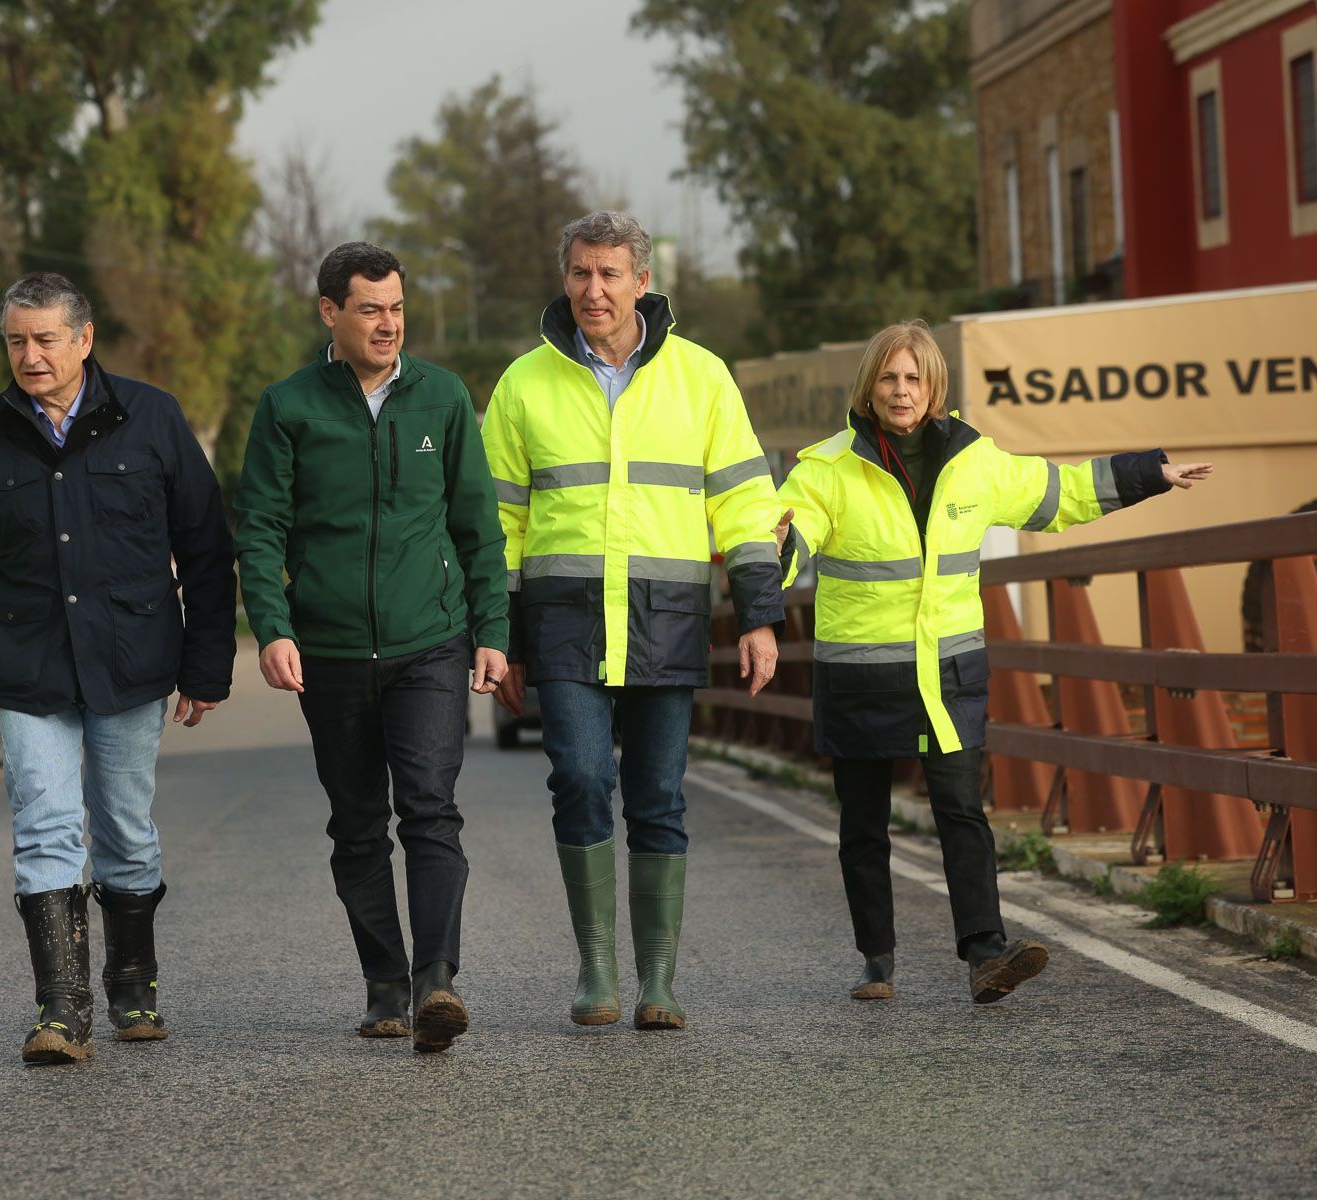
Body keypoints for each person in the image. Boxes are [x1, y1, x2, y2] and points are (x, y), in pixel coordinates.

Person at [776, 320, 1213, 1003]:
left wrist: (1147, 474)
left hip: (946, 675)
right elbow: (789, 539)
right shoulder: (828, 467)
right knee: (864, 823)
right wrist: (771, 550)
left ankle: (986, 954)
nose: (901, 390)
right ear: (869, 385)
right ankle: (877, 961)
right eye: (889, 377)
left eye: (914, 377)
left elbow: (1057, 495)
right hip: (863, 675)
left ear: (934, 387)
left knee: (961, 807)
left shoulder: (974, 460)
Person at [483, 212, 789, 1032]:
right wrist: (499, 638)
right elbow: (496, 524)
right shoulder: (523, 385)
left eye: (611, 274)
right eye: (581, 273)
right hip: (563, 622)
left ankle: (658, 981)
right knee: (581, 779)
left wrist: (759, 616)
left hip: (668, 618)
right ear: (565, 278)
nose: (594, 290)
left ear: (642, 283)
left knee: (658, 796)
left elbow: (747, 504)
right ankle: (597, 973)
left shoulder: (702, 378)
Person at [0, 272, 235, 1064]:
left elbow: (205, 548)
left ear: (84, 339)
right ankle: (60, 1009)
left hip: (131, 660)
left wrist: (206, 665)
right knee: (44, 825)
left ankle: (133, 985)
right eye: (15, 341)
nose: (29, 357)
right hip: (25, 666)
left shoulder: (153, 418)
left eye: (44, 339)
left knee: (126, 827)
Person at [234, 242, 507, 1053]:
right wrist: (274, 627)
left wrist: (491, 630)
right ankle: (384, 983)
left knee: (431, 811)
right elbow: (261, 530)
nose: (388, 324)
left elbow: (478, 528)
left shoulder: (444, 397)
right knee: (357, 825)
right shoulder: (289, 407)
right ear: (330, 313)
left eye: (396, 308)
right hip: (332, 650)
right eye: (369, 309)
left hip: (430, 640)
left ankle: (437, 983)